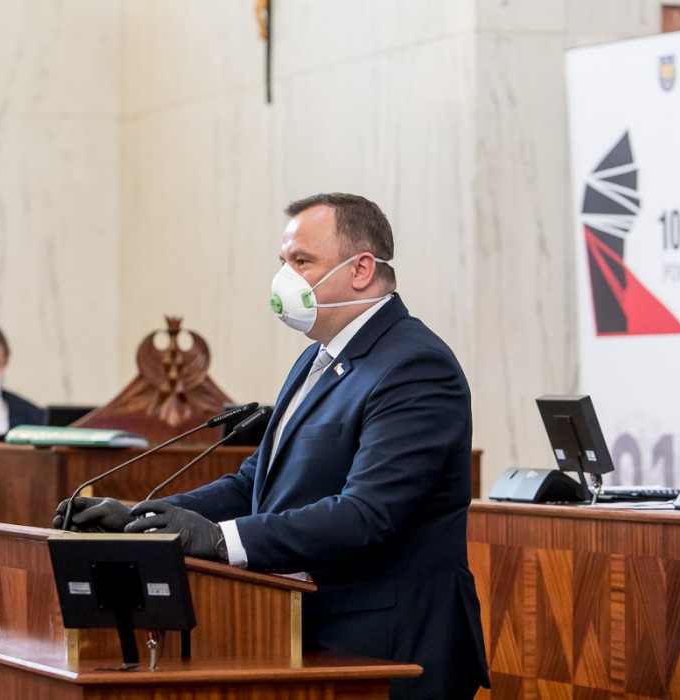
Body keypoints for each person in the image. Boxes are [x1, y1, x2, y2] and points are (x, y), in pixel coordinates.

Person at [55, 193, 490, 699]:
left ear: (361, 269)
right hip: (306, 631)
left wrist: (221, 540)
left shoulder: (414, 365)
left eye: (302, 261)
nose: (285, 277)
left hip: (386, 646)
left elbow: (368, 515)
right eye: (283, 261)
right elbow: (253, 485)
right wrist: (142, 521)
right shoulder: (315, 359)